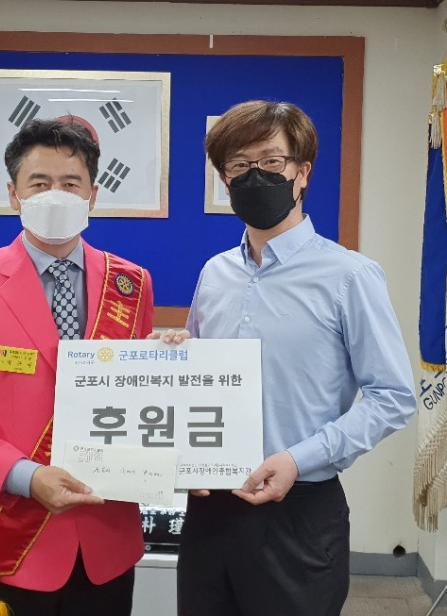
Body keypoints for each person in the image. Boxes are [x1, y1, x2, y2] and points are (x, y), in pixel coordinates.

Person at [177, 101, 416, 616]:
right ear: (224, 179)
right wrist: (172, 356)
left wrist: (297, 459)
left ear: (302, 172)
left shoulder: (350, 275)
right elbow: (194, 377)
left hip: (299, 510)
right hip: (209, 508)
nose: (254, 176)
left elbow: (393, 397)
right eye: (239, 165)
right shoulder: (214, 273)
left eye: (271, 161)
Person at [0, 118, 165, 616]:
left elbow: (140, 396)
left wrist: (173, 362)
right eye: (39, 183)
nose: (55, 195)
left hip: (105, 543)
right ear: (14, 194)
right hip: (9, 538)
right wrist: (25, 476)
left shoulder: (131, 285)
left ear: (93, 194)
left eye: (71, 183)